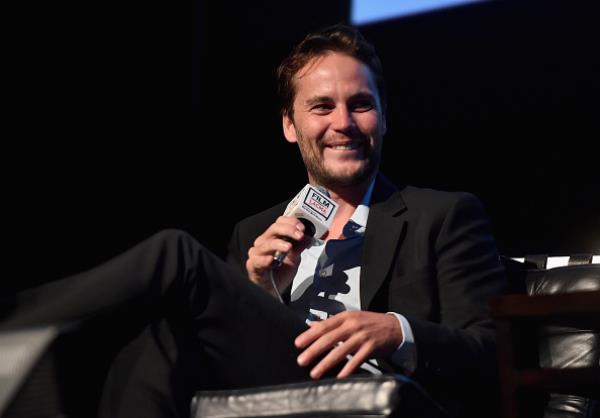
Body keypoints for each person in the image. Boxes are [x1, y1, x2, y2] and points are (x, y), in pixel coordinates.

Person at [0, 24, 507, 418]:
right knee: (165, 337)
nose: (343, 123)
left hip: (378, 389)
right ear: (290, 126)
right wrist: (260, 290)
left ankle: (17, 326)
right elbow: (224, 352)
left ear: (384, 117)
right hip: (274, 385)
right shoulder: (255, 233)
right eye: (321, 107)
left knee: (177, 254)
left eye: (361, 105)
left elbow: (491, 351)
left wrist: (396, 330)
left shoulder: (442, 214)